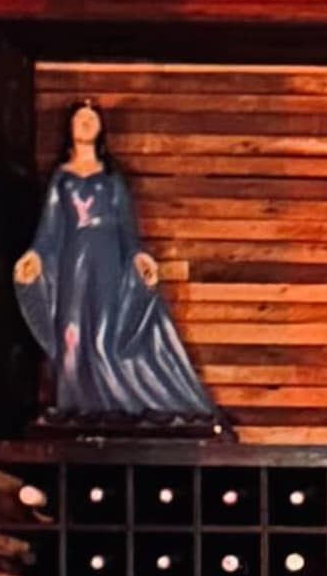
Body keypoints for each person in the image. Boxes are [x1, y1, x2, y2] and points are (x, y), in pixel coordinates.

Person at [15, 101, 225, 431]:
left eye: (91, 119)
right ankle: (77, 406)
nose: (85, 123)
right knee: (72, 335)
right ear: (69, 128)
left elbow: (128, 230)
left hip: (108, 261)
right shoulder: (61, 178)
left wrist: (139, 257)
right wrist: (35, 256)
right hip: (72, 266)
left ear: (101, 129)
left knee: (104, 335)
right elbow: (50, 228)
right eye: (80, 118)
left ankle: (115, 403)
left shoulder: (112, 179)